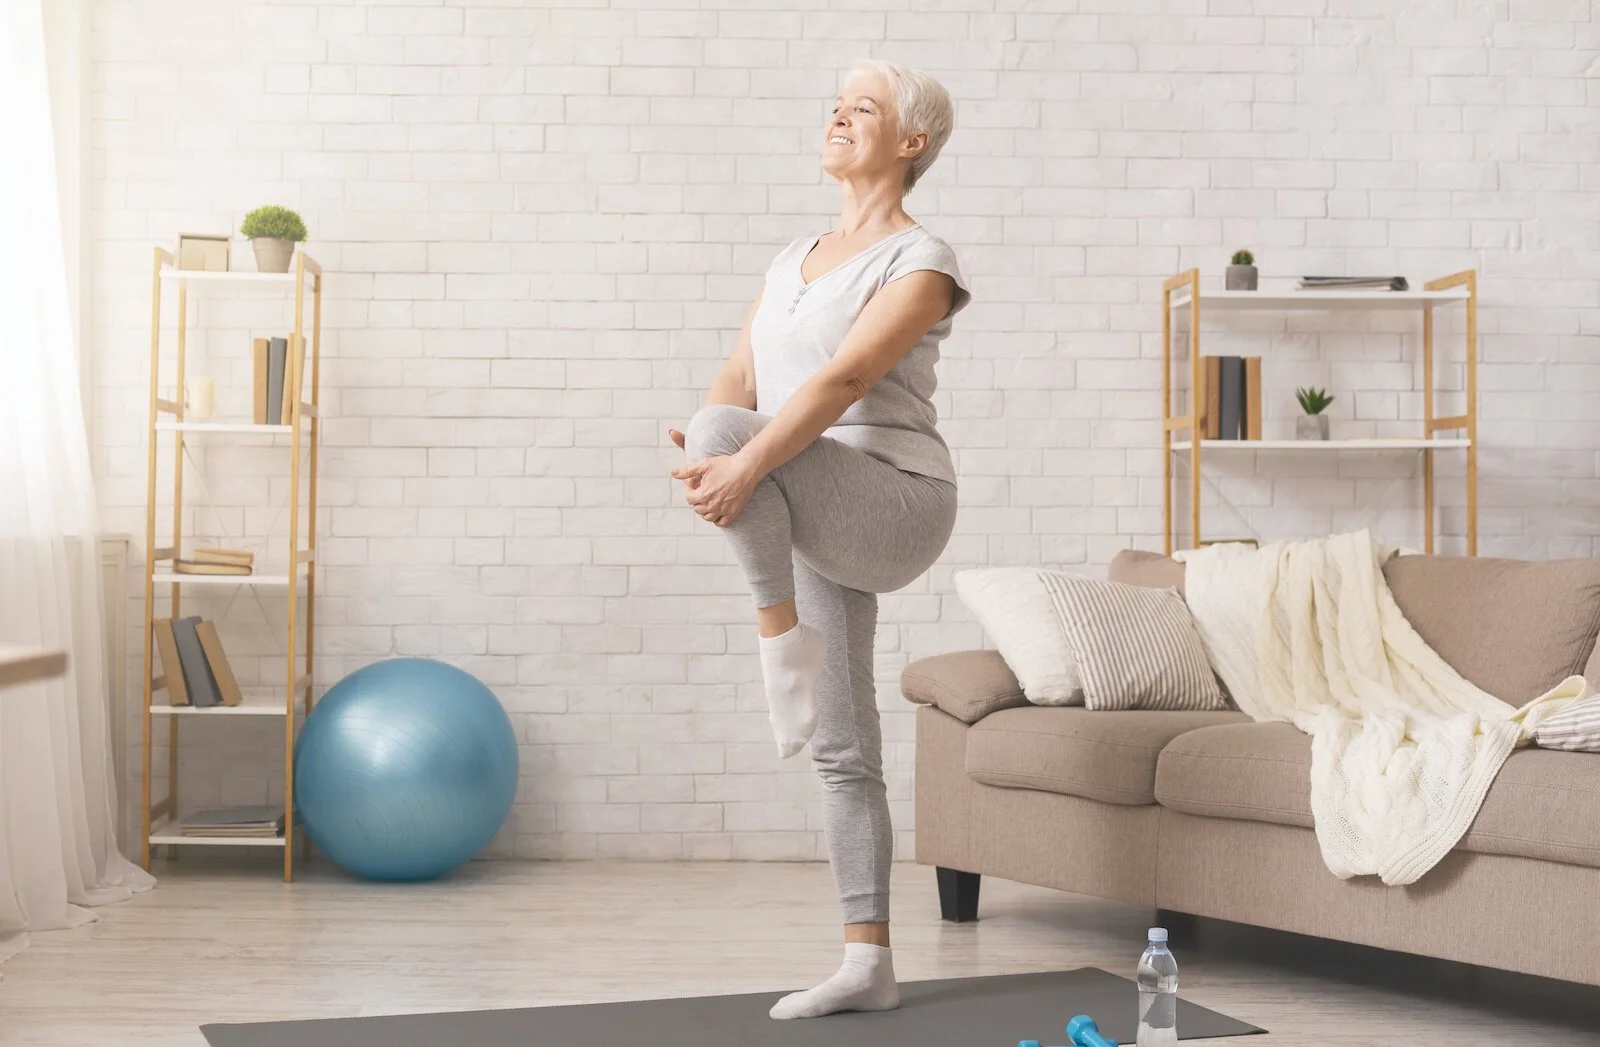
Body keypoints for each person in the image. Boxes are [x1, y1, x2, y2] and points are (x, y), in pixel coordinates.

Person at [667, 59, 969, 1020]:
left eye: (862, 108)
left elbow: (844, 382)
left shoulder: (922, 262)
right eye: (835, 106)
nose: (838, 117)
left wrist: (740, 459)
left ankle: (776, 636)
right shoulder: (791, 258)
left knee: (728, 437)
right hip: (812, 491)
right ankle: (867, 961)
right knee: (842, 743)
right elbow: (738, 378)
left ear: (911, 142)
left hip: (897, 499)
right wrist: (710, 456)